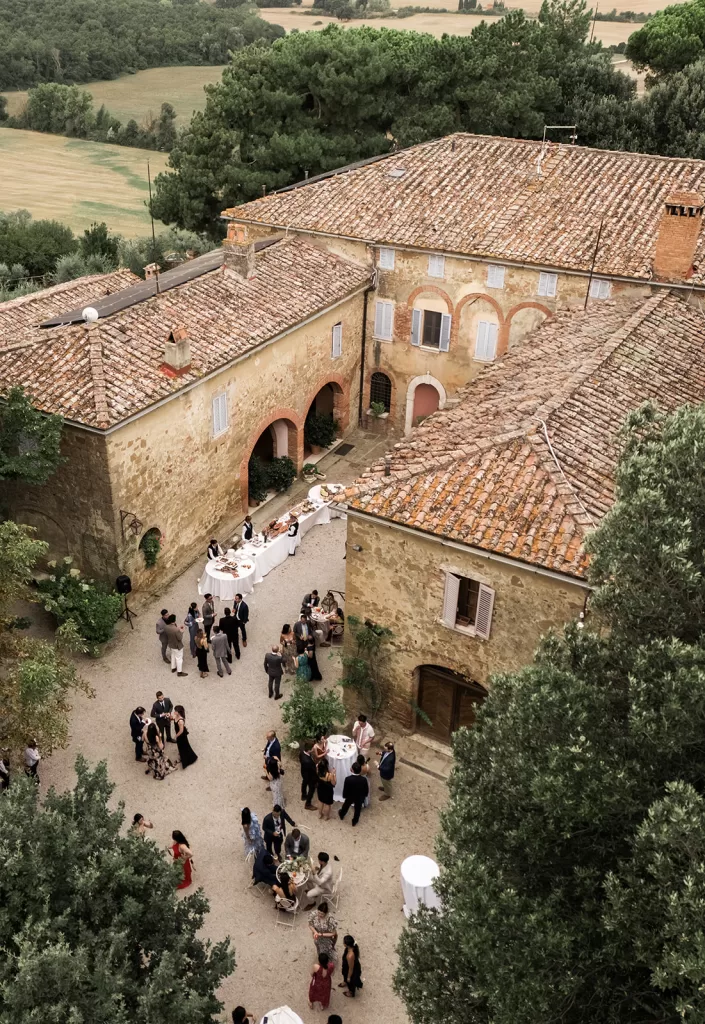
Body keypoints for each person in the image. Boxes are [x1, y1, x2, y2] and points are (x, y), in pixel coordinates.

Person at [338, 763, 369, 827]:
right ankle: (354, 821)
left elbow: (346, 789)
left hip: (350, 796)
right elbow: (366, 789)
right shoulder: (364, 779)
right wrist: (365, 795)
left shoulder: (348, 779)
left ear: (351, 770)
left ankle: (342, 814)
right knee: (358, 809)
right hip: (359, 797)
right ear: (360, 770)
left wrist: (344, 796)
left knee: (346, 806)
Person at [300, 740, 318, 809]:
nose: (314, 749)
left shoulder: (302, 752)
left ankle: (304, 795)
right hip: (310, 776)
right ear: (309, 750)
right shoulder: (308, 761)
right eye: (313, 748)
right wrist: (316, 766)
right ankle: (308, 804)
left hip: (304, 773)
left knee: (304, 783)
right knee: (311, 789)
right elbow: (313, 770)